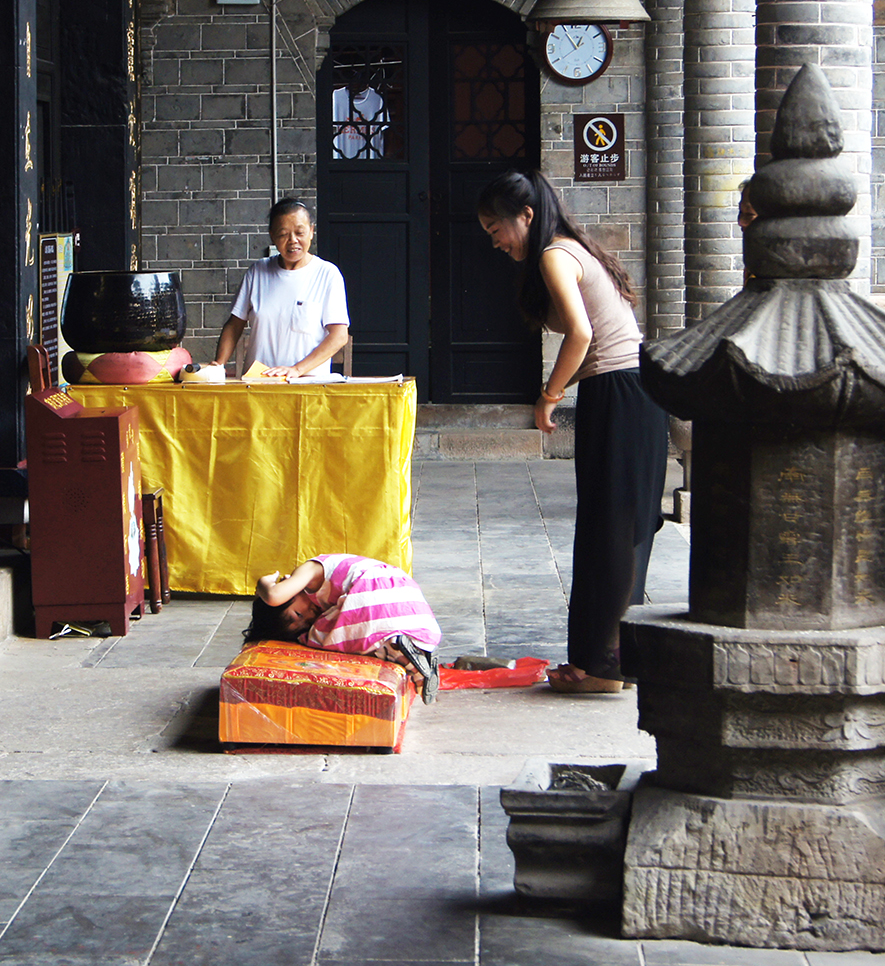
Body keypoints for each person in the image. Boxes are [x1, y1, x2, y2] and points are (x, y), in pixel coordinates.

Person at [477, 169, 669, 694]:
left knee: (609, 533)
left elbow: (582, 334)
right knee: (620, 531)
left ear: (527, 217)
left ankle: (600, 669)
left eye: (497, 227)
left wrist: (549, 394)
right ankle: (607, 661)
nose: (495, 240)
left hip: (621, 396)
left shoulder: (553, 254)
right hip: (635, 394)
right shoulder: (570, 248)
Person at [248, 554, 442, 701]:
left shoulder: (308, 570)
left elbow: (273, 597)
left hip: (372, 591)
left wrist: (264, 584)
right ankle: (411, 656)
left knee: (318, 637)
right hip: (403, 596)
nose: (309, 616)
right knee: (365, 633)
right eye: (304, 622)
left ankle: (397, 651)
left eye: (298, 614)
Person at [212, 197, 350, 378]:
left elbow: (339, 336)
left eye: (299, 233)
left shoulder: (327, 274)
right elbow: (234, 325)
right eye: (284, 234)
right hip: (258, 383)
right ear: (272, 235)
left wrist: (297, 369)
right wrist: (218, 365)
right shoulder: (257, 272)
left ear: (311, 231)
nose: (293, 241)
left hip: (308, 386)